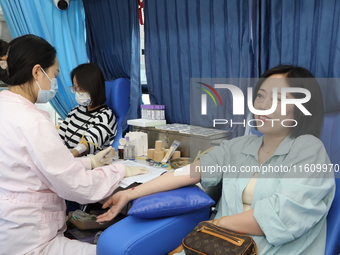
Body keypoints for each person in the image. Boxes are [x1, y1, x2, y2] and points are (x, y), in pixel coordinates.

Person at [97, 65, 335, 255]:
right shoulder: (241, 145)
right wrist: (130, 194)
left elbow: (281, 218)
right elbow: (188, 173)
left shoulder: (309, 150)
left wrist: (217, 224)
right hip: (219, 244)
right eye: (261, 96)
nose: (263, 105)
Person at [0, 34, 147, 255]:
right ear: (37, 71)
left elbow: (41, 164)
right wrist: (119, 170)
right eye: (54, 75)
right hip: (31, 235)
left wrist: (88, 162)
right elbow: (75, 184)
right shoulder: (34, 120)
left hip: (10, 226)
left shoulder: (6, 107)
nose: (55, 82)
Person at [58, 63, 117, 157]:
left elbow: (87, 144)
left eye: (80, 88)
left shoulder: (105, 116)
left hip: (87, 165)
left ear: (94, 88)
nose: (77, 92)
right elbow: (59, 137)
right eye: (75, 88)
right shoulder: (75, 111)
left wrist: (67, 157)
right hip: (66, 160)